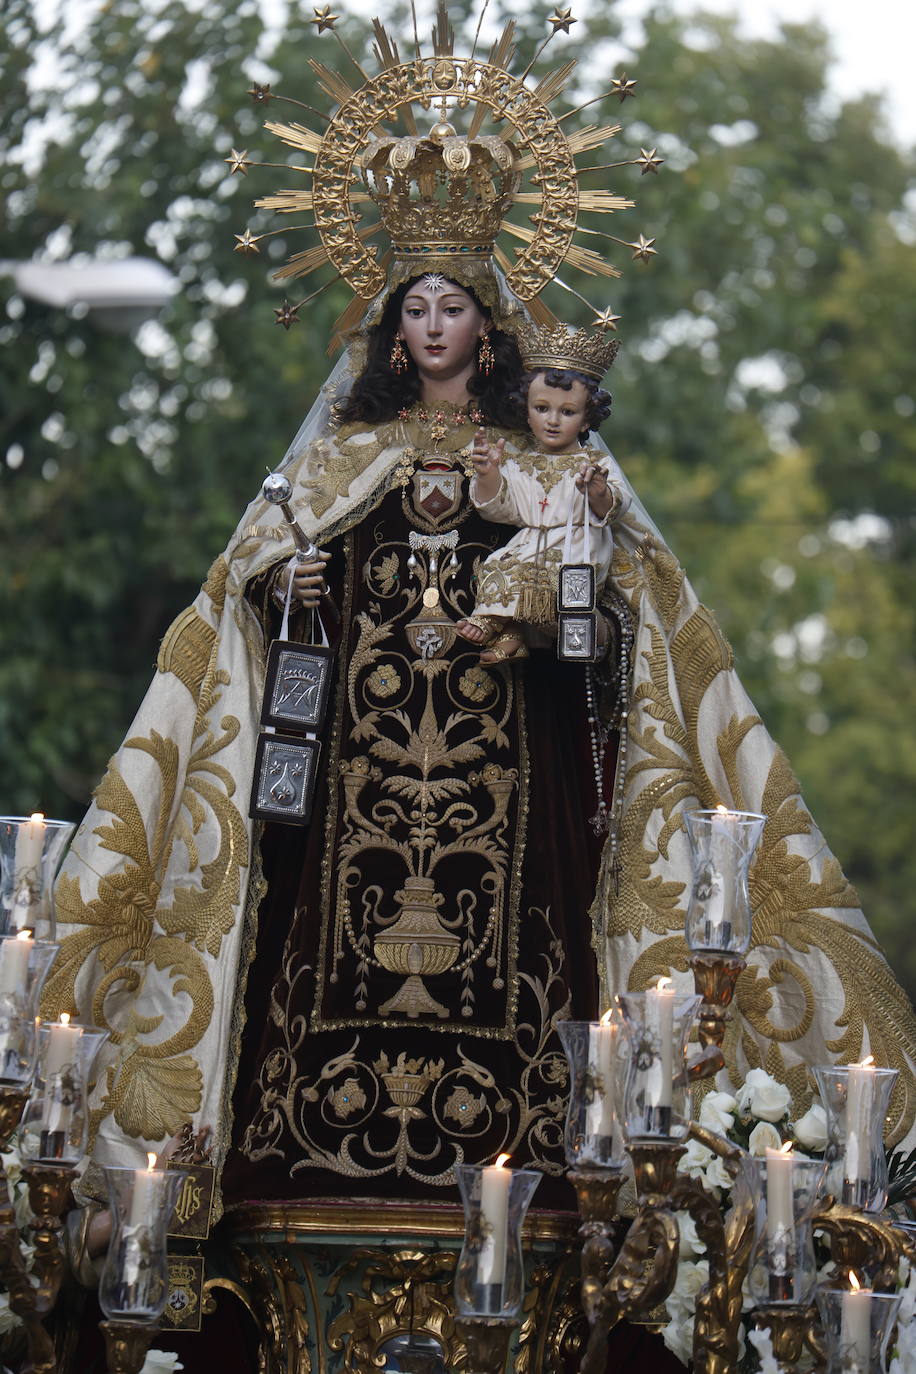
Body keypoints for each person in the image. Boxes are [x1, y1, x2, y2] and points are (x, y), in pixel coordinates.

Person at [456, 336, 629, 663]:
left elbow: (615, 507)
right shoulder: (521, 463)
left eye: (567, 411)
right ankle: (510, 633)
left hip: (577, 545)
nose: (552, 420)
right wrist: (489, 473)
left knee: (551, 580)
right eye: (541, 408)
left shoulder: (595, 463)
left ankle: (510, 630)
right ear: (526, 411)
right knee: (500, 564)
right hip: (533, 540)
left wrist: (598, 492)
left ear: (587, 419)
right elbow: (502, 507)